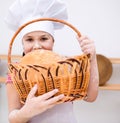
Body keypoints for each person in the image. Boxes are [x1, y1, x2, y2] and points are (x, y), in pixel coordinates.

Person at [5, 0, 99, 123]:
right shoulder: (16, 73)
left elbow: (90, 97)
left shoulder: (66, 65)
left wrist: (92, 58)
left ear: (52, 41)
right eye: (29, 40)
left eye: (44, 38)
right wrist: (25, 112)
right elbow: (13, 117)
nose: (37, 46)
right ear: (22, 44)